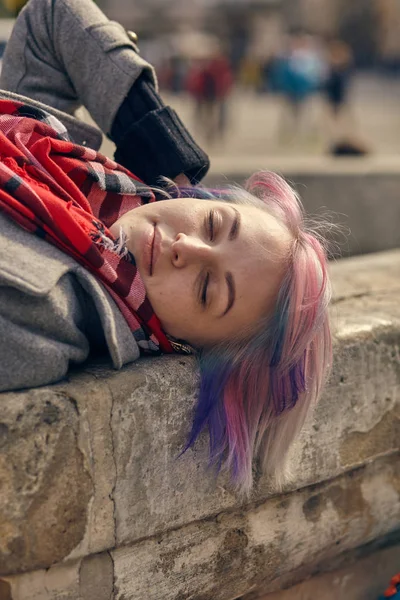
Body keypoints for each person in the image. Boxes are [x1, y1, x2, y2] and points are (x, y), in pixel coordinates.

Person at [0, 0, 332, 495]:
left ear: (185, 349)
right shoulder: (87, 180)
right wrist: (168, 156)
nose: (186, 249)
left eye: (205, 291)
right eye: (215, 224)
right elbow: (53, 18)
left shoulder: (49, 315)